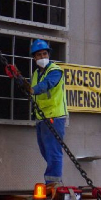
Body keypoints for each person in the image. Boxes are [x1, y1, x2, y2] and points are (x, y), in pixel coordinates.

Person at [28, 39, 68, 186]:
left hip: (54, 117)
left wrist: (33, 90)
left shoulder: (55, 71)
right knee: (45, 151)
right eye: (39, 55)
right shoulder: (36, 74)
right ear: (34, 58)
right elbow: (33, 91)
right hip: (41, 118)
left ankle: (53, 184)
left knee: (53, 152)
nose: (42, 57)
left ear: (49, 54)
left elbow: (47, 85)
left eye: (45, 53)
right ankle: (53, 181)